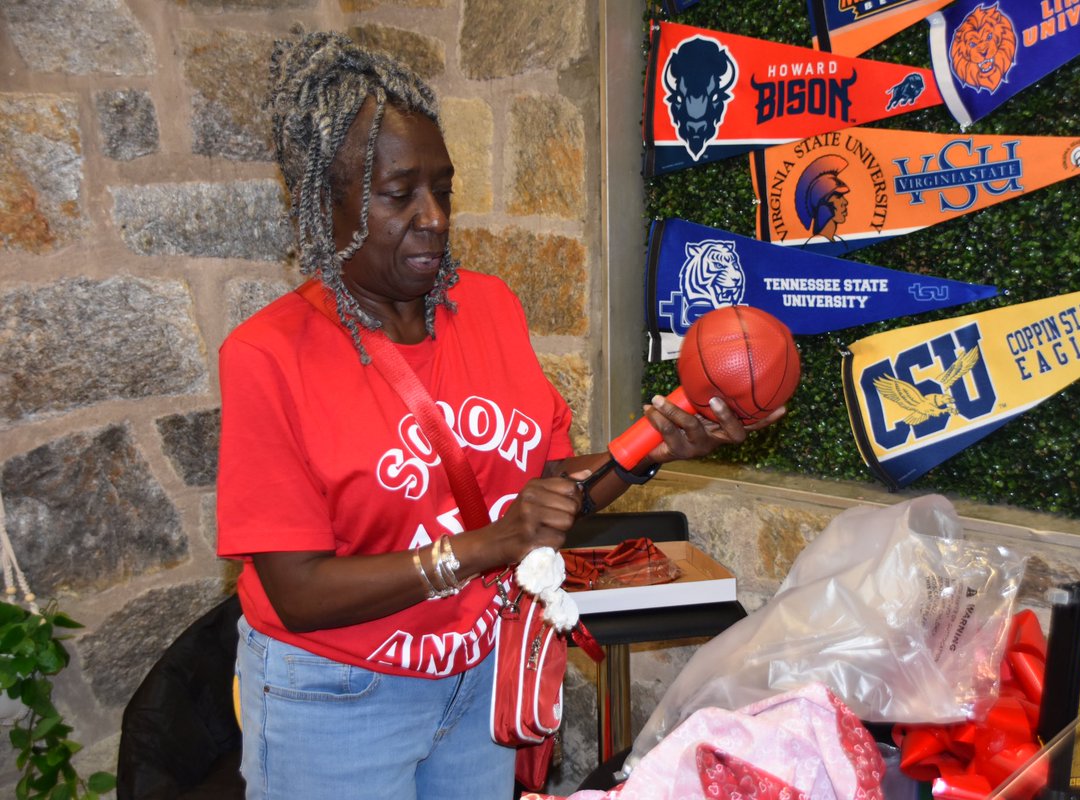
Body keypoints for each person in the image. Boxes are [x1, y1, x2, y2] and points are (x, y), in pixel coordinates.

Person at [216, 31, 786, 800]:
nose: (434, 217)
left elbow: (549, 491)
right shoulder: (269, 355)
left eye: (443, 189)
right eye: (398, 194)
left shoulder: (488, 308)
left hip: (478, 677)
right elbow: (298, 590)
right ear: (327, 202)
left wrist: (658, 445)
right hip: (338, 699)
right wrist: (489, 544)